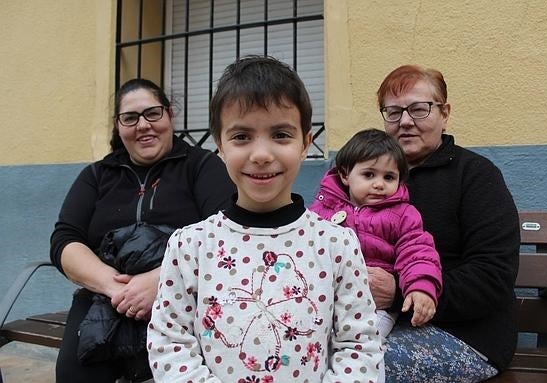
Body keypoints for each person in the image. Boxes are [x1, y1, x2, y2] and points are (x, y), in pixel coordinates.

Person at [147, 55, 382, 382]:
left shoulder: (336, 244)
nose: (261, 154)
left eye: (281, 135)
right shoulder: (190, 247)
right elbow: (170, 342)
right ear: (220, 147)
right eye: (241, 137)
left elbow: (359, 346)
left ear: (305, 143)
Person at [49, 78, 236, 383]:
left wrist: (160, 281)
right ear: (118, 126)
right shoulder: (96, 176)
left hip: (185, 299)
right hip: (103, 300)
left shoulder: (202, 166)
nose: (143, 125)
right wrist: (118, 289)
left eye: (153, 113)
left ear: (169, 116)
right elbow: (64, 240)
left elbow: (225, 232)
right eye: (130, 118)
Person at [373, 64, 520, 382]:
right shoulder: (369, 177)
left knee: (358, 367)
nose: (406, 122)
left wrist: (399, 293)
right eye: (394, 112)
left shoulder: (476, 176)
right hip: (375, 322)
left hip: (465, 336)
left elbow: (491, 277)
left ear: (444, 113)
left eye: (419, 109)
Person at [309, 128, 442, 337]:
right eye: (369, 174)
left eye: (389, 177)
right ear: (345, 175)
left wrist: (421, 287)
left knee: (365, 343)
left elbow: (417, 252)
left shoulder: (403, 215)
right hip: (325, 299)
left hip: (375, 305)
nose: (379, 184)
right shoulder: (323, 209)